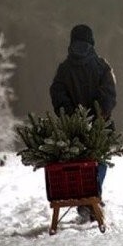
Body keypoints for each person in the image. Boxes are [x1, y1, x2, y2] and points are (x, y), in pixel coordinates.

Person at [49, 24, 116, 219]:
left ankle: (84, 197)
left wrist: (72, 117)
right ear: (92, 43)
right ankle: (93, 195)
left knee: (77, 163)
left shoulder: (63, 69)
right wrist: (98, 117)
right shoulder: (103, 67)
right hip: (100, 126)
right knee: (100, 159)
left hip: (72, 129)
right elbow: (109, 96)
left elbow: (57, 95)